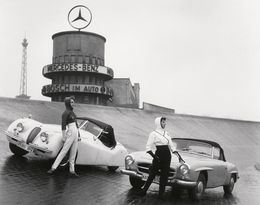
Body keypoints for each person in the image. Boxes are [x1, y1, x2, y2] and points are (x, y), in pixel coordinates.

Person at [137, 116, 176, 199]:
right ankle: (144, 191)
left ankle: (161, 194)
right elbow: (148, 147)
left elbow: (171, 145)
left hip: (167, 155)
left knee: (164, 175)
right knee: (152, 174)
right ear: (158, 123)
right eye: (163, 122)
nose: (165, 123)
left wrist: (175, 152)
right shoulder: (153, 133)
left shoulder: (167, 133)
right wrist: (154, 157)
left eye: (165, 122)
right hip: (158, 155)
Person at [47, 96, 80, 177]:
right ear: (67, 103)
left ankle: (72, 171)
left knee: (73, 152)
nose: (73, 104)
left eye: (73, 102)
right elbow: (63, 125)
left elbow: (76, 125)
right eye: (71, 102)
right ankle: (53, 168)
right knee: (64, 150)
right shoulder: (66, 113)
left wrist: (79, 135)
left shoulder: (73, 113)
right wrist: (64, 136)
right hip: (71, 131)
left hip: (75, 132)